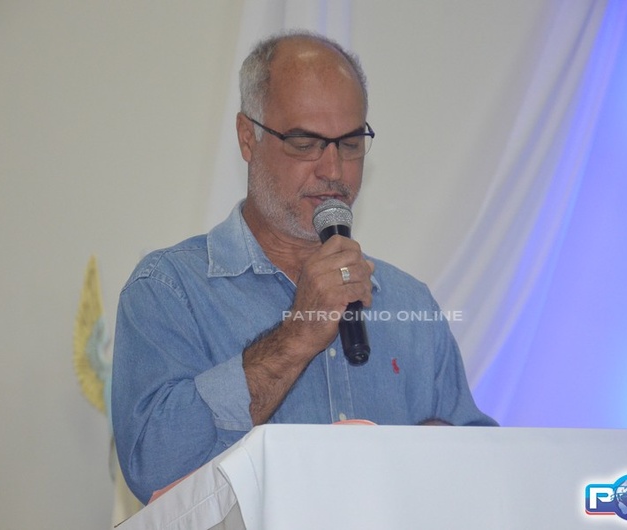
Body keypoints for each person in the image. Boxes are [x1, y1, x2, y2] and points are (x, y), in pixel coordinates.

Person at [111, 30, 496, 504]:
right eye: (304, 142)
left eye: (350, 143)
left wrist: (447, 454)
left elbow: (487, 476)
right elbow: (153, 467)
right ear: (247, 137)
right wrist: (296, 336)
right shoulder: (168, 290)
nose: (333, 170)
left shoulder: (409, 302)